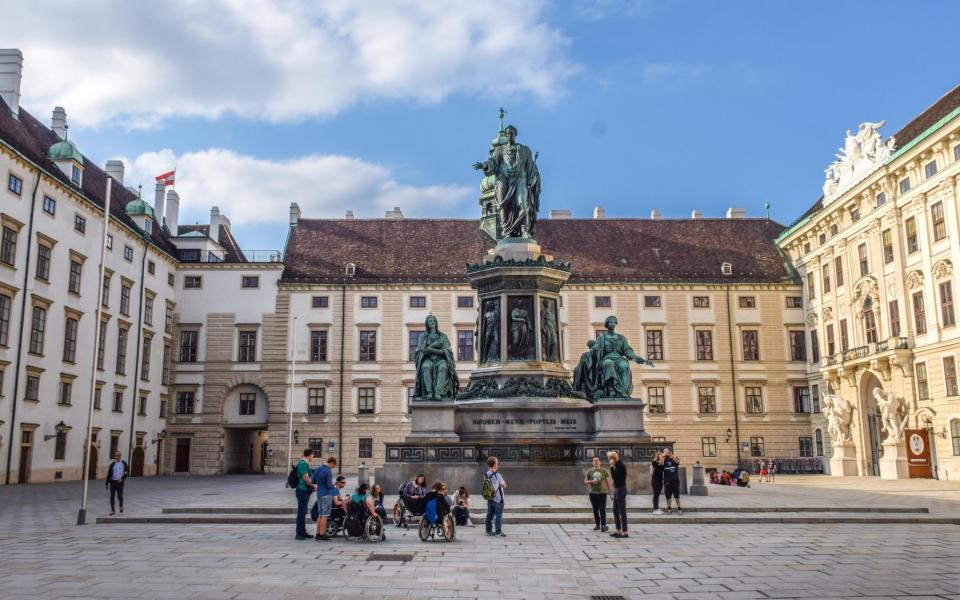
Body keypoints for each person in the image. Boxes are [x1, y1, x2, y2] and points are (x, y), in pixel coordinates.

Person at [311, 456, 336, 540]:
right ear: (331, 463)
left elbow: (313, 481)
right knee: (325, 516)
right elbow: (329, 485)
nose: (332, 468)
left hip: (319, 494)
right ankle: (322, 535)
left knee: (320, 515)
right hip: (326, 494)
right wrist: (333, 485)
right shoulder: (328, 471)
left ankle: (317, 534)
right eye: (333, 466)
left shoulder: (317, 469)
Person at [584, 456, 611, 531]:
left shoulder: (604, 471)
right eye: (594, 461)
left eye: (597, 460)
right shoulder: (589, 471)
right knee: (595, 510)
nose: (595, 462)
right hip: (593, 493)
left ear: (600, 462)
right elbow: (585, 481)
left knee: (602, 509)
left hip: (602, 493)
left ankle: (603, 525)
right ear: (592, 462)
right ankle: (597, 525)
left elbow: (608, 483)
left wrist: (611, 493)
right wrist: (592, 481)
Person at [293, 448, 314, 540]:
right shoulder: (302, 463)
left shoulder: (305, 463)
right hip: (302, 490)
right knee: (301, 512)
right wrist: (313, 485)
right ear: (310, 455)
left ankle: (303, 531)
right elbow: (305, 477)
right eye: (313, 455)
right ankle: (299, 533)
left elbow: (309, 473)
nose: (313, 457)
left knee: (303, 511)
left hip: (304, 490)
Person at [607, 450, 628, 538]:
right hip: (617, 489)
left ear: (613, 458)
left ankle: (625, 531)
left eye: (610, 458)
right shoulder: (617, 465)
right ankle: (618, 530)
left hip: (621, 489)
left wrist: (611, 467)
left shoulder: (620, 465)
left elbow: (615, 477)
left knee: (622, 511)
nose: (609, 460)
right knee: (615, 510)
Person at [484, 456, 506, 537]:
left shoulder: (486, 474)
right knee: (498, 516)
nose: (498, 465)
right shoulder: (498, 475)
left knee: (489, 515)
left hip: (490, 498)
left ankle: (488, 531)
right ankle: (498, 532)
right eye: (497, 463)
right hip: (498, 499)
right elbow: (504, 486)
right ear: (494, 465)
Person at [105, 451, 129, 516]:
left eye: (119, 455)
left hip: (120, 482)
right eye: (116, 455)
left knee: (119, 496)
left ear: (120, 456)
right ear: (114, 456)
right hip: (112, 482)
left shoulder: (123, 463)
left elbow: (126, 472)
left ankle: (121, 506)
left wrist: (122, 478)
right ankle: (113, 511)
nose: (117, 457)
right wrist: (106, 483)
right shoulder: (112, 464)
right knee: (112, 497)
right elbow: (109, 474)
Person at [662, 449, 682, 515]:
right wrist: (663, 456)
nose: (666, 452)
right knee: (668, 496)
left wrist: (672, 456)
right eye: (664, 451)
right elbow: (661, 465)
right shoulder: (664, 460)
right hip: (667, 480)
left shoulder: (675, 458)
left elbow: (677, 462)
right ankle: (669, 509)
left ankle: (679, 508)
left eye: (667, 451)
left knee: (677, 495)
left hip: (675, 480)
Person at [651, 449, 666, 515]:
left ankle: (657, 508)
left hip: (660, 480)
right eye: (660, 454)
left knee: (658, 494)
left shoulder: (661, 461)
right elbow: (658, 467)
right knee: (656, 494)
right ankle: (655, 509)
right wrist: (661, 458)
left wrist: (662, 458)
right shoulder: (654, 462)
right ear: (657, 455)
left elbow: (662, 466)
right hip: (655, 481)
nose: (661, 455)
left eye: (661, 454)